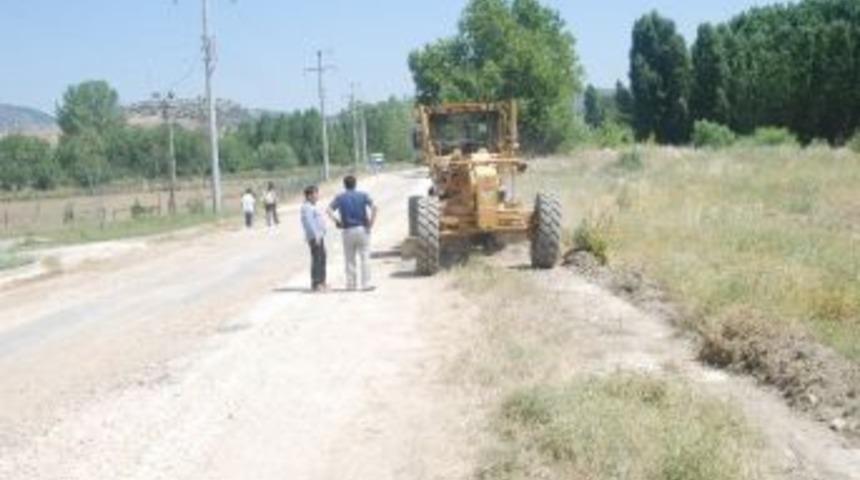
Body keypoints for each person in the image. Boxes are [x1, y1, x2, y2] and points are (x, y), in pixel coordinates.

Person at [327, 175, 377, 291]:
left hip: (347, 230)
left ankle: (351, 284)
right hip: (362, 229)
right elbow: (375, 208)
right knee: (365, 257)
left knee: (349, 258)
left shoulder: (340, 198)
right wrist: (371, 223)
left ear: (344, 185)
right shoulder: (363, 195)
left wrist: (337, 221)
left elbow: (328, 210)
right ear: (355, 184)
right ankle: (366, 284)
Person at [300, 185, 327, 291]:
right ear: (309, 195)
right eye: (315, 193)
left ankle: (322, 281)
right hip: (315, 237)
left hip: (319, 236)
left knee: (322, 258)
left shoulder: (312, 205)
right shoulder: (306, 207)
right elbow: (309, 222)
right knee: (317, 259)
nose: (317, 196)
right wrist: (316, 235)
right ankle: (316, 283)